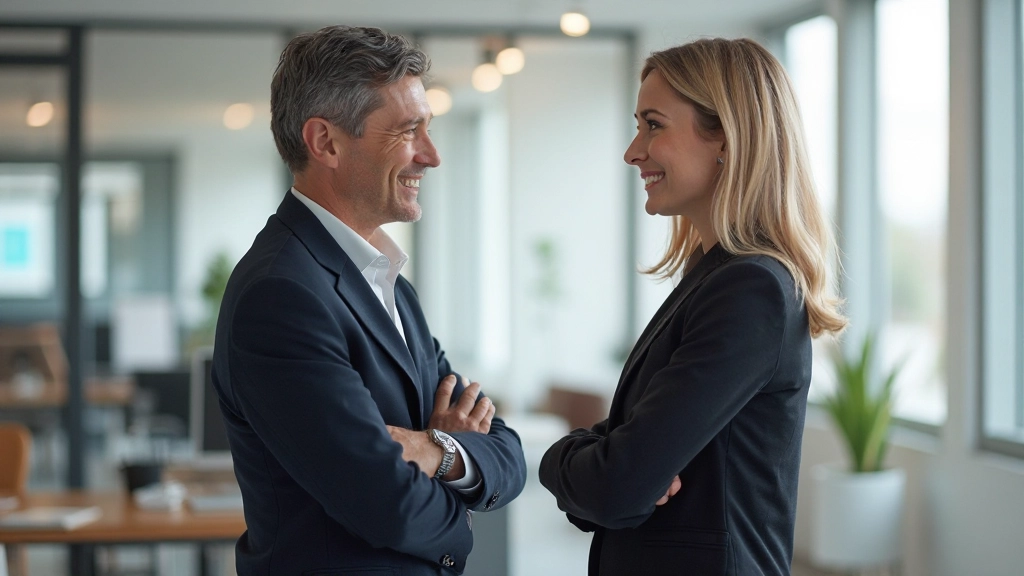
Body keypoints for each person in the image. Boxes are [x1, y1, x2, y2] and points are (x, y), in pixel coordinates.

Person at [211, 25, 526, 576]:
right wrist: (461, 504)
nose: (431, 156)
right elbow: (389, 505)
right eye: (408, 132)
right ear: (326, 142)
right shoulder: (280, 294)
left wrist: (439, 453)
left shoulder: (389, 284)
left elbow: (504, 447)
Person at [539, 38, 848, 576]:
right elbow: (623, 474)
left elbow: (618, 486)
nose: (633, 151)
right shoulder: (716, 278)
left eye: (653, 125)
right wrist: (605, 456)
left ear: (726, 137)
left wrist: (555, 457)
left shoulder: (750, 289)